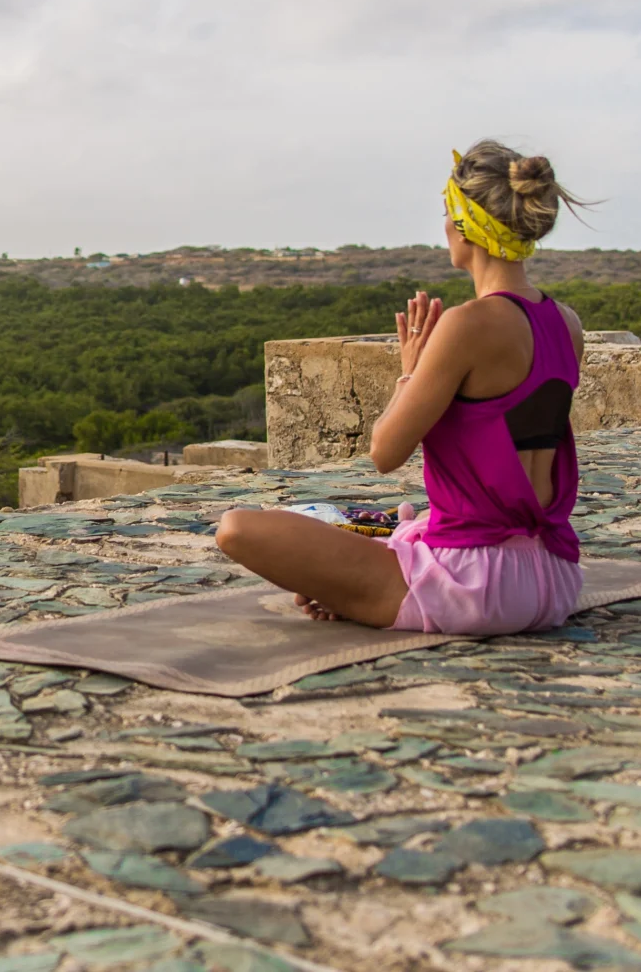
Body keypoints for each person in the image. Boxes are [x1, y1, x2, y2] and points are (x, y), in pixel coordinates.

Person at [215, 140, 588, 633]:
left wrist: (411, 370)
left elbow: (384, 452)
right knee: (402, 527)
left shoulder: (467, 325)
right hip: (553, 576)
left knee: (236, 528)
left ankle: (361, 593)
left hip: (475, 584)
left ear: (463, 226)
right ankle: (362, 586)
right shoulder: (566, 322)